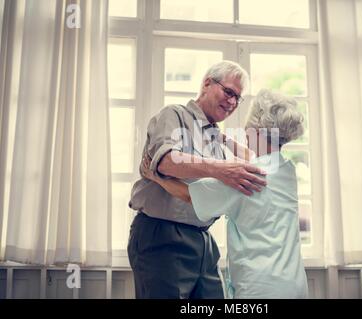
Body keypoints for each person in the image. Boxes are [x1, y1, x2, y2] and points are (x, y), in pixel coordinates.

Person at [142, 89, 309, 299]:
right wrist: (220, 137)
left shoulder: (244, 178)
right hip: (294, 284)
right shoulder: (286, 169)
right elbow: (254, 156)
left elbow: (189, 195)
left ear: (255, 130)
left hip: (261, 288)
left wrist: (155, 176)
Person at [127, 61, 267, 299]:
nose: (232, 102)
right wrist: (221, 169)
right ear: (207, 83)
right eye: (229, 92)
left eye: (238, 98)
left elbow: (256, 161)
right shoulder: (174, 114)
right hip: (162, 235)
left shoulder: (216, 139)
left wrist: (221, 139)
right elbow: (165, 162)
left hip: (203, 240)